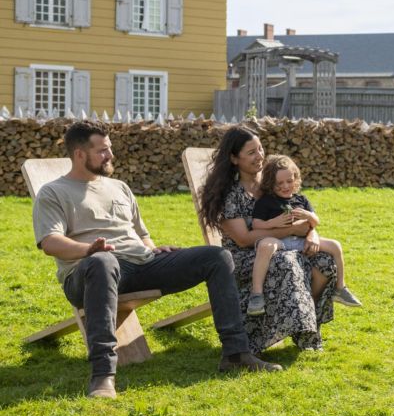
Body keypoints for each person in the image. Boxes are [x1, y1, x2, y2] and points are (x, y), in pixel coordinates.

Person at [33, 121, 280, 400]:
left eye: (110, 149)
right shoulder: (53, 192)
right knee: (103, 262)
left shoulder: (119, 187)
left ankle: (236, 353)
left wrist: (153, 248)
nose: (110, 156)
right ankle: (103, 375)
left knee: (217, 257)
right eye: (102, 151)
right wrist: (89, 249)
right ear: (79, 154)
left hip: (141, 263)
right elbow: (50, 243)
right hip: (87, 273)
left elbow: (140, 234)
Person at [198, 126, 337, 354]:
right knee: (288, 262)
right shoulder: (228, 195)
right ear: (234, 158)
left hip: (285, 246)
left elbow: (304, 213)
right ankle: (303, 334)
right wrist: (294, 231)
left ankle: (304, 319)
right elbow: (243, 239)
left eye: (261, 148)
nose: (260, 155)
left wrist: (312, 233)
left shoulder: (273, 183)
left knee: (324, 260)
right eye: (251, 152)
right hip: (244, 258)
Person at [248, 154, 362, 316]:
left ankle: (340, 288)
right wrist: (274, 222)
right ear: (270, 183)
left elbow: (316, 221)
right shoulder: (266, 201)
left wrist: (308, 216)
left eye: (289, 181)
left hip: (301, 241)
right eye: (279, 183)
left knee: (335, 245)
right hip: (280, 240)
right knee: (265, 245)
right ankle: (256, 294)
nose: (285, 186)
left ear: (296, 178)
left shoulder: (301, 199)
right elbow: (256, 224)